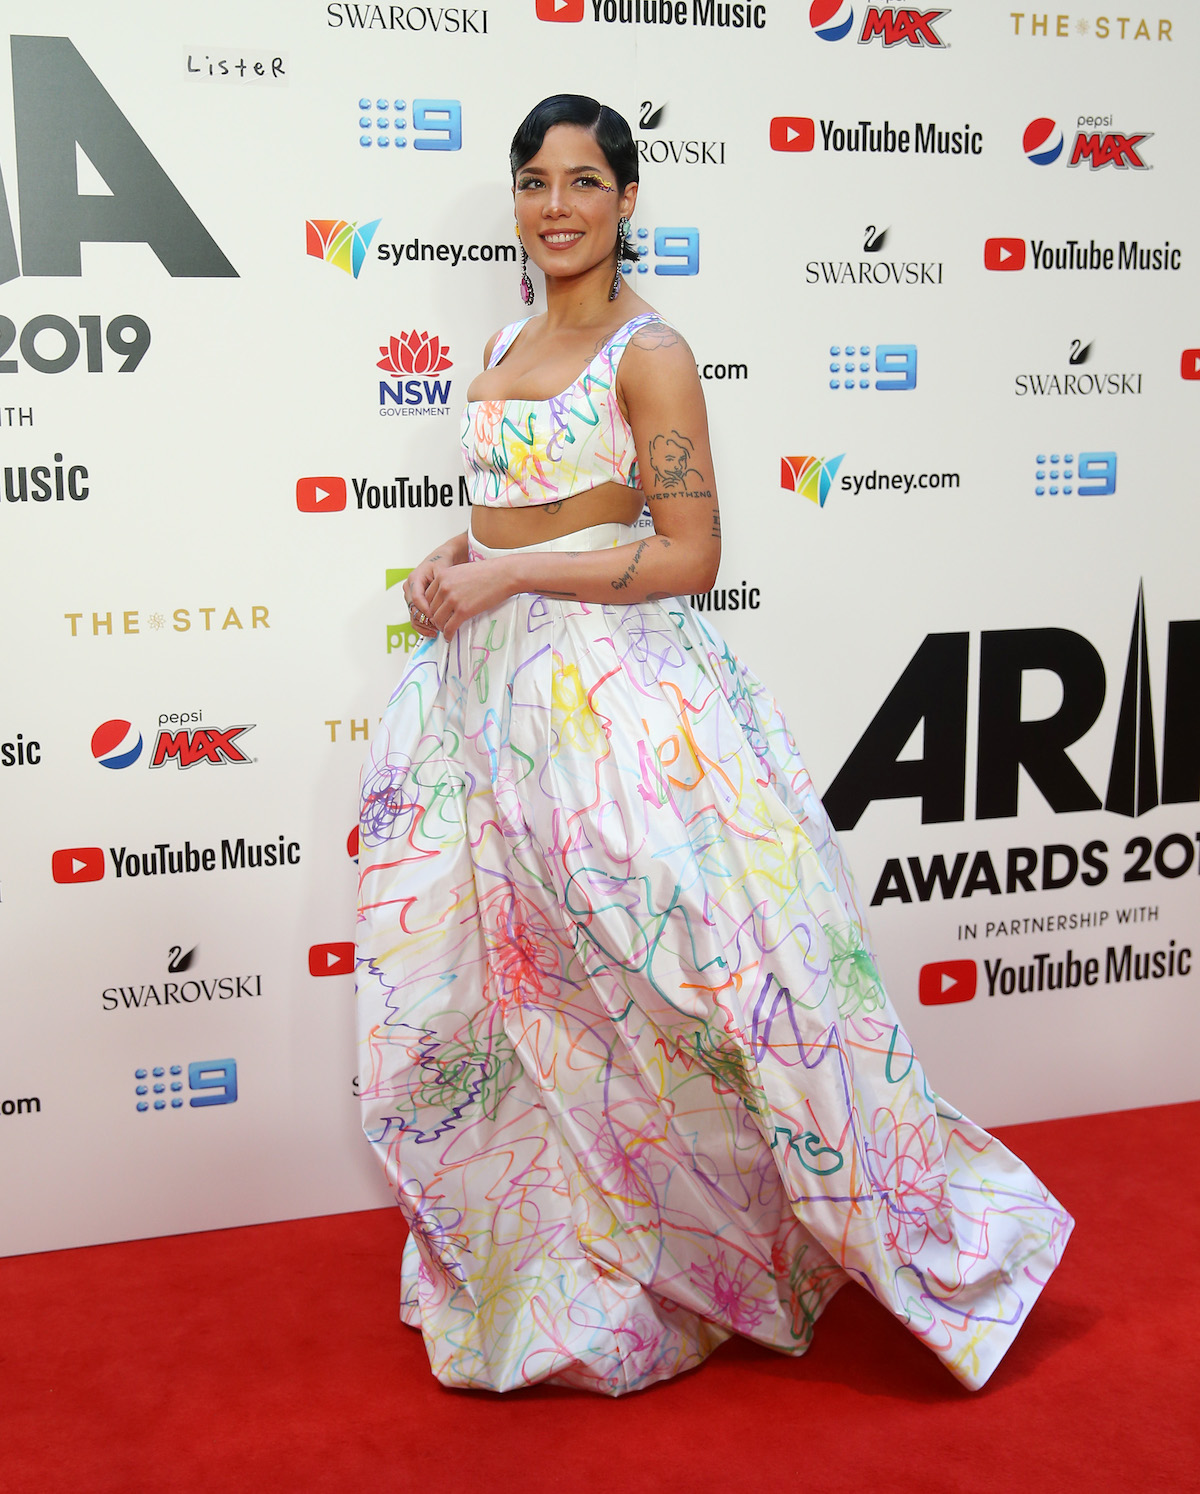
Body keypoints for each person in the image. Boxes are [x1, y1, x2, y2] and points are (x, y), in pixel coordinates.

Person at [356, 94, 1072, 1397]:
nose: (554, 204)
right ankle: (612, 1250)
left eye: (582, 179)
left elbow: (692, 552)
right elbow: (517, 516)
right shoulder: (508, 333)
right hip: (500, 703)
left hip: (616, 706)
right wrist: (457, 558)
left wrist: (512, 582)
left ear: (629, 199)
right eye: (531, 180)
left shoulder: (652, 349)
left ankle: (929, 1230)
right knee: (555, 997)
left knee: (721, 978)